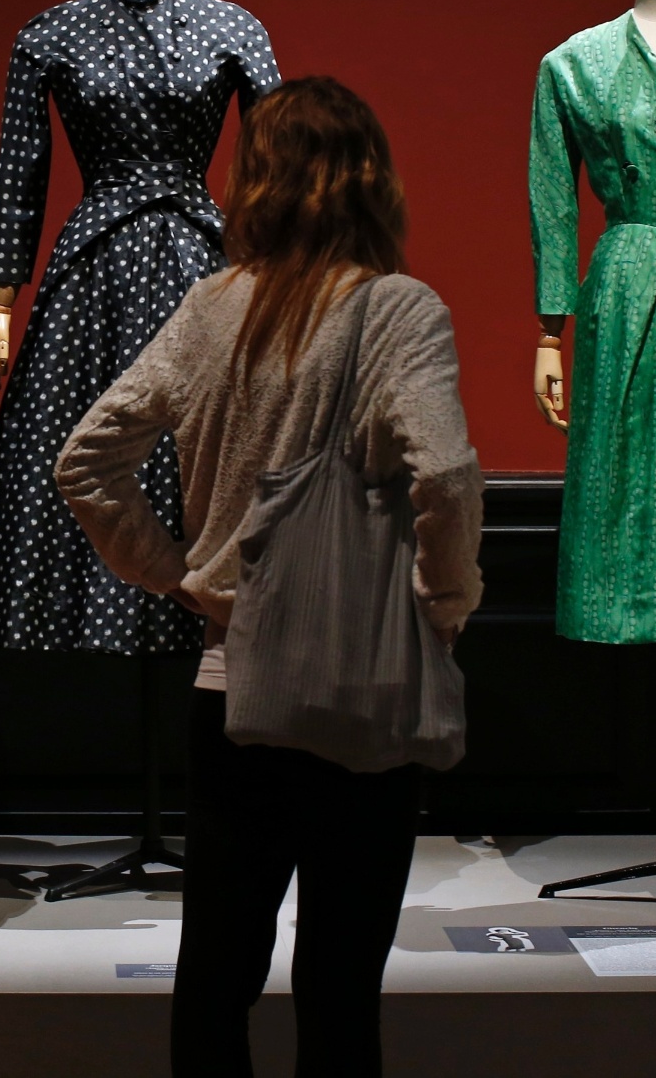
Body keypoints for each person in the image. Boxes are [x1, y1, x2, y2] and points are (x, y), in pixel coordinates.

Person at [55, 76, 484, 1077]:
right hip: (360, 695)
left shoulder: (213, 308)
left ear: (257, 182)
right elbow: (448, 473)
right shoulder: (399, 312)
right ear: (374, 181)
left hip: (231, 684)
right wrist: (446, 606)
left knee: (215, 978)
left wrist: (181, 576)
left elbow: (85, 462)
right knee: (341, 990)